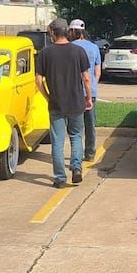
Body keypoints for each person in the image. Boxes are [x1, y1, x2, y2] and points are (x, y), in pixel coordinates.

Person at [35, 18, 93, 188]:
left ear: (53, 32)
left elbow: (38, 80)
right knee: (76, 137)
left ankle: (60, 178)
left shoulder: (45, 53)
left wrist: (47, 96)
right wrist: (88, 98)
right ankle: (76, 169)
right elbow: (87, 79)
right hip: (76, 102)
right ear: (67, 32)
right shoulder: (78, 51)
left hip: (56, 103)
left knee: (58, 141)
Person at [67, 18, 102, 161]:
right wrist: (92, 85)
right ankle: (90, 153)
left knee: (75, 129)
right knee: (90, 125)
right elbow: (97, 71)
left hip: (73, 93)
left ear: (73, 31)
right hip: (90, 92)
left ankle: (77, 154)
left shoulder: (69, 47)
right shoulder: (94, 47)